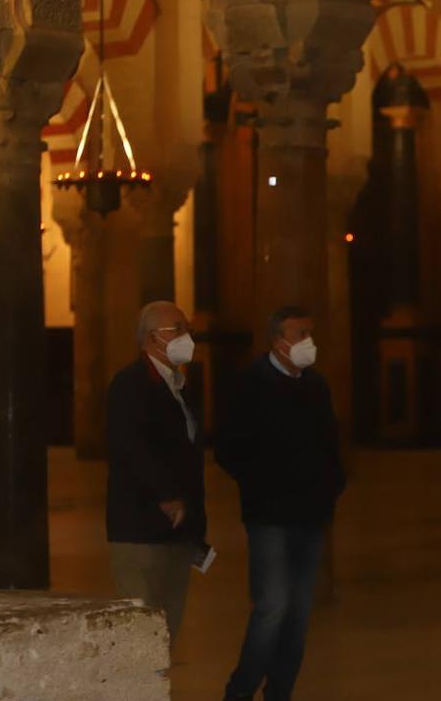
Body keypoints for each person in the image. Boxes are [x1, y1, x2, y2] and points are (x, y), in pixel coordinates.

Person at [217, 305, 346, 701]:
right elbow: (228, 448)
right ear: (278, 340)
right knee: (272, 606)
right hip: (270, 516)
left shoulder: (316, 384)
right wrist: (264, 485)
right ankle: (239, 691)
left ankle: (280, 692)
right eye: (299, 333)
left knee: (298, 613)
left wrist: (330, 488)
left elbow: (330, 445)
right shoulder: (250, 383)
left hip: (310, 516)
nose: (308, 341)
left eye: (311, 332)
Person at [105, 300, 207, 643]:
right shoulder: (130, 384)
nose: (186, 336)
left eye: (187, 330)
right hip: (141, 528)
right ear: (151, 338)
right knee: (142, 630)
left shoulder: (180, 385)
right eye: (177, 329)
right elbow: (130, 447)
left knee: (168, 627)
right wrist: (166, 494)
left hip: (179, 530)